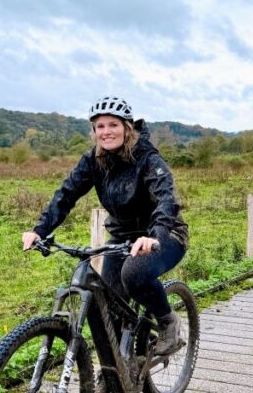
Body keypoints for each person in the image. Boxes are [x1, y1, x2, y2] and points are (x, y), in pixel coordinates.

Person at [22, 96, 189, 365]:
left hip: (165, 234)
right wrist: (39, 230)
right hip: (122, 238)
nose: (106, 131)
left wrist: (153, 236)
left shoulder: (147, 157)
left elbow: (166, 199)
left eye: (113, 125)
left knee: (133, 273)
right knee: (107, 310)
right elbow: (66, 195)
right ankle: (112, 374)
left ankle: (168, 322)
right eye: (99, 126)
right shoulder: (93, 161)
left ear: (127, 127)